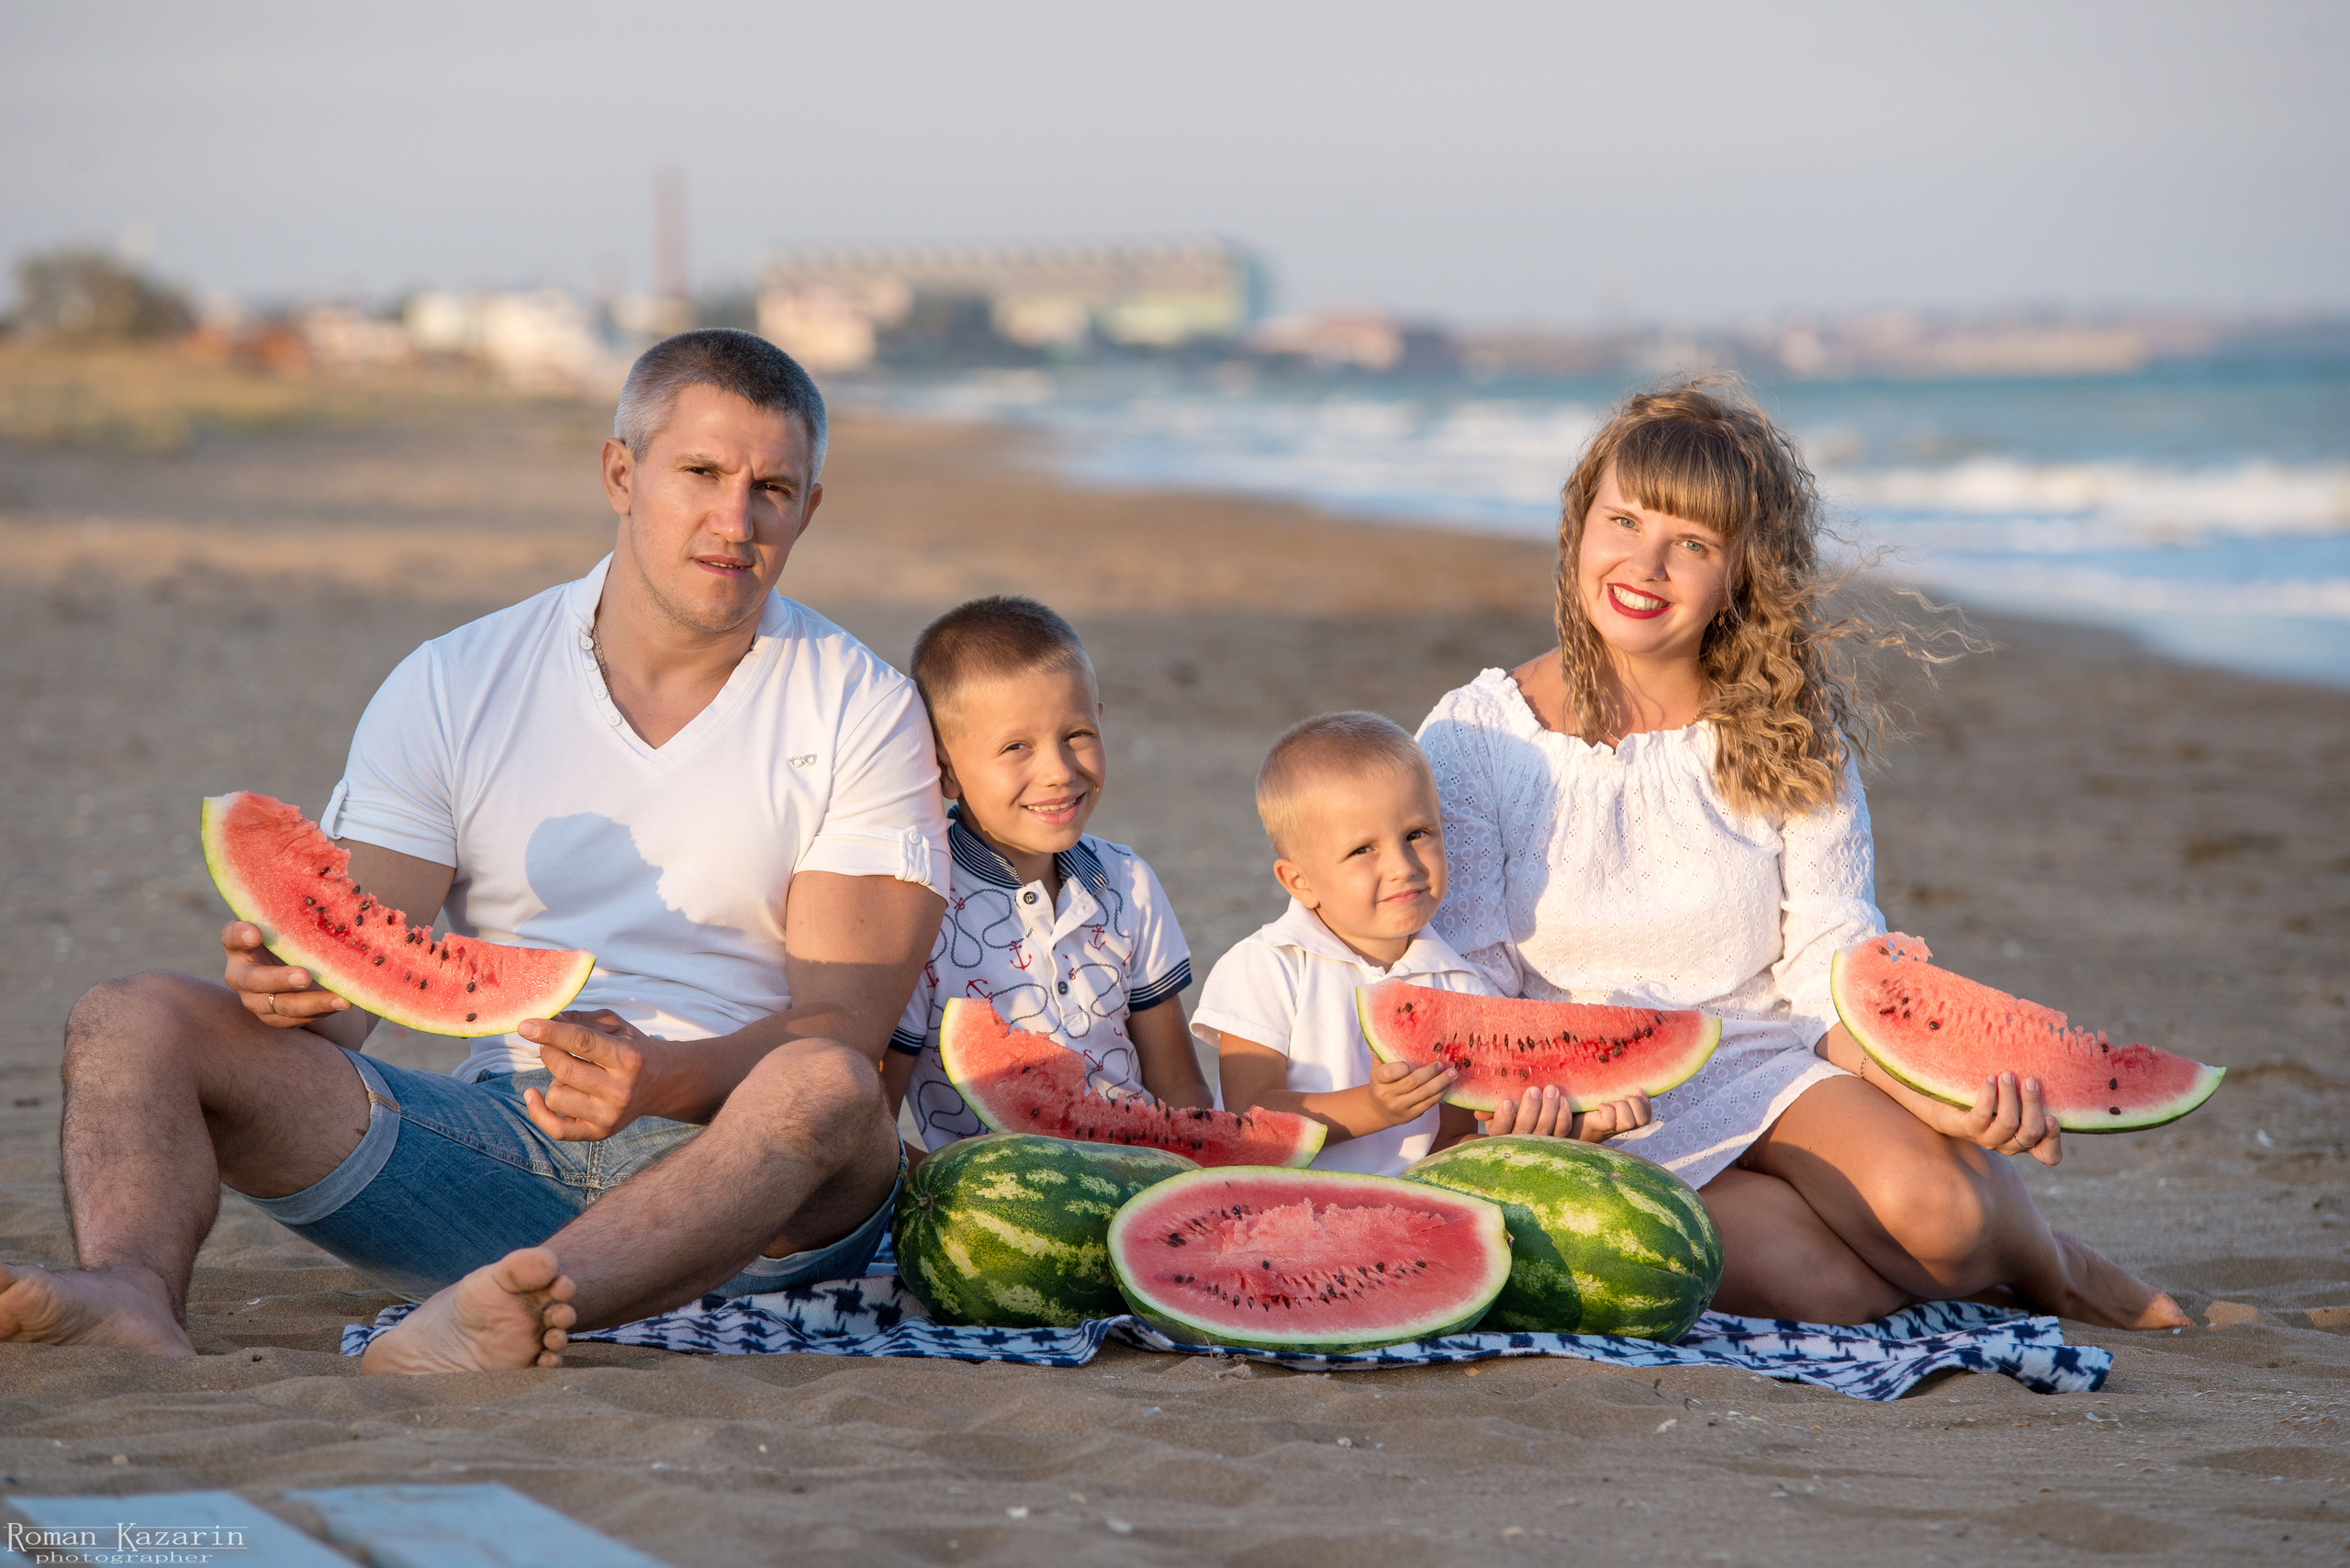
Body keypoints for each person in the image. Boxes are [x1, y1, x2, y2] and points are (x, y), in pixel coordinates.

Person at [4, 330, 952, 1372]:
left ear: (808, 508)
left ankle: (523, 1305)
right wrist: (296, 984)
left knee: (824, 1084)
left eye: (773, 487)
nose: (735, 520)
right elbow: (360, 986)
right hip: (495, 1156)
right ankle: (131, 1288)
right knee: (127, 1018)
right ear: (621, 473)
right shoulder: (456, 681)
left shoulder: (860, 706)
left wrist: (664, 1078)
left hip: (761, 1194)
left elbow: (848, 1028)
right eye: (701, 473)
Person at [1415, 376, 2188, 1327]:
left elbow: (1829, 958)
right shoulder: (1475, 738)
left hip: (1764, 1060)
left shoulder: (1786, 729)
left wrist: (1931, 1093)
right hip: (1594, 1106)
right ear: (1579, 524)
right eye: (1623, 522)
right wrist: (1533, 1099)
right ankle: (2001, 1266)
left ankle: (2059, 1268)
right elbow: (1467, 982)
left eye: (1691, 544)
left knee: (1936, 1213)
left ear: (1743, 571)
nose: (1643, 564)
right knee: (1814, 1282)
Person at [1196, 711, 1652, 1176]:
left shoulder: (1461, 986)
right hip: (1284, 1214)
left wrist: (1577, 1135)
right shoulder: (1264, 966)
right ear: (1298, 881)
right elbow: (1248, 1118)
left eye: (1417, 834)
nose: (1402, 865)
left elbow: (1453, 1144)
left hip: (1417, 1220)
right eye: (1362, 849)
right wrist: (1374, 1108)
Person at [886, 596, 1213, 1150]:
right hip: (1001, 1207)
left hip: (1141, 1174)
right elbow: (874, 1120)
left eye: (1077, 735)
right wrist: (939, 1193)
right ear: (943, 767)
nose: (1059, 772)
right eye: (1017, 747)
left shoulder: (1128, 881)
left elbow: (1179, 1085)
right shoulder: (922, 909)